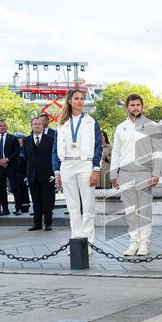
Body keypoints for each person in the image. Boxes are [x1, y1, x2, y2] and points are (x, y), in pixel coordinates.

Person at [110, 94, 162, 255]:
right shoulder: (120, 127)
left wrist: (156, 173)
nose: (135, 108)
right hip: (125, 174)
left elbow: (158, 151)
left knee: (144, 210)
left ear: (142, 107)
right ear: (127, 107)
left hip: (144, 173)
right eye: (132, 105)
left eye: (138, 105)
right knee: (130, 211)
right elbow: (116, 151)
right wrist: (113, 174)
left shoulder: (152, 125)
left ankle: (145, 242)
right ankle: (134, 241)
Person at [53, 88, 104, 244]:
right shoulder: (61, 123)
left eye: (82, 98)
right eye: (76, 98)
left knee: (88, 205)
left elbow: (98, 147)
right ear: (69, 101)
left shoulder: (91, 121)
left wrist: (96, 169)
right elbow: (55, 149)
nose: (80, 101)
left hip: (85, 164)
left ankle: (88, 241)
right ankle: (76, 239)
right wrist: (57, 172)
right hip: (67, 164)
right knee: (72, 206)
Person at [24, 117, 56, 231]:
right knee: (36, 200)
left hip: (48, 175)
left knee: (48, 200)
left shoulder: (50, 139)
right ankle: (37, 224)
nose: (37, 126)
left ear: (42, 126)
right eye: (35, 124)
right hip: (32, 175)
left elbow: (54, 157)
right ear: (31, 126)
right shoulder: (26, 140)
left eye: (39, 124)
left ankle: (48, 223)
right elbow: (26, 158)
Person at [0, 119, 22, 216]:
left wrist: (7, 160)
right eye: (0, 126)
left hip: (11, 166)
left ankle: (18, 208)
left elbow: (16, 152)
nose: (2, 127)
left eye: (4, 125)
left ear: (7, 127)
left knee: (15, 187)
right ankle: (5, 209)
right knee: (1, 189)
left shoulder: (13, 139)